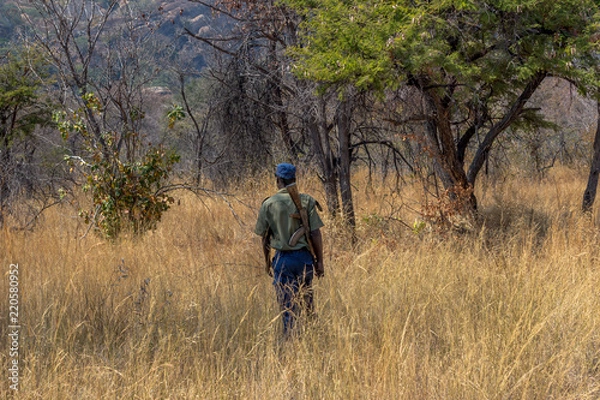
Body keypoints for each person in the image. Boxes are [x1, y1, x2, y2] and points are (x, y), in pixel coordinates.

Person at [254, 163, 325, 337]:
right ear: (294, 178)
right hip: (305, 259)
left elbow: (264, 238)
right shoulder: (306, 200)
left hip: (282, 260)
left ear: (278, 180)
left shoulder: (268, 204)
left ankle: (291, 345)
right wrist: (319, 262)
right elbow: (315, 233)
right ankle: (312, 340)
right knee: (307, 303)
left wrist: (267, 262)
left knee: (288, 308)